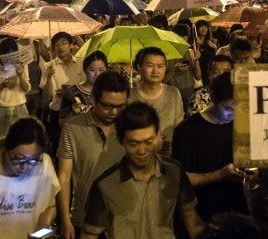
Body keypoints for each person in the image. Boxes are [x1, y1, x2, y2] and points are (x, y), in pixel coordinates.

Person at [81, 102, 204, 239]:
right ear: (121, 141)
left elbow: (192, 221)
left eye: (148, 141)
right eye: (133, 144)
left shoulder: (174, 171)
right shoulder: (105, 185)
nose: (142, 151)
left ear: (158, 136)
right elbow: (89, 234)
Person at [57, 70, 129, 239]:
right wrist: (65, 219)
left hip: (124, 219)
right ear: (93, 99)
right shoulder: (73, 128)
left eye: (120, 106)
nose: (114, 112)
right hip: (84, 217)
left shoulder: (130, 126)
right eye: (107, 106)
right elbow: (64, 176)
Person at [172, 72, 248, 221]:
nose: (235, 115)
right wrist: (221, 174)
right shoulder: (187, 131)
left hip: (236, 207)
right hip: (202, 210)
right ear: (213, 99)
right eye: (230, 109)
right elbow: (180, 179)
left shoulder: (241, 125)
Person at [128, 47, 183, 155]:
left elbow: (179, 128)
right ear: (139, 67)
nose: (155, 71)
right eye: (150, 66)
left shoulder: (173, 93)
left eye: (160, 66)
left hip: (168, 158)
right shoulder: (129, 96)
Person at [40, 32, 85, 156]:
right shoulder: (48, 66)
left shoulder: (81, 64)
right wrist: (49, 78)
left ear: (71, 45)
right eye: (56, 44)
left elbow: (86, 88)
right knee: (59, 149)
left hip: (78, 111)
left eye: (64, 43)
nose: (60, 47)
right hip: (57, 111)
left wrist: (71, 92)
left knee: (78, 148)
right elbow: (46, 98)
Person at [0, 37, 31, 141]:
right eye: (7, 53)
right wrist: (3, 85)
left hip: (19, 109)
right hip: (0, 110)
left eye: (13, 53)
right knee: (0, 143)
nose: (10, 57)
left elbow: (27, 88)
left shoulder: (22, 66)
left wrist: (20, 76)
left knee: (21, 141)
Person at [59, 51, 108, 123]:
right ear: (85, 70)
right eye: (92, 70)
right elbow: (62, 123)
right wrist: (73, 113)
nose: (97, 74)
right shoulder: (72, 92)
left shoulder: (111, 91)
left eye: (101, 70)